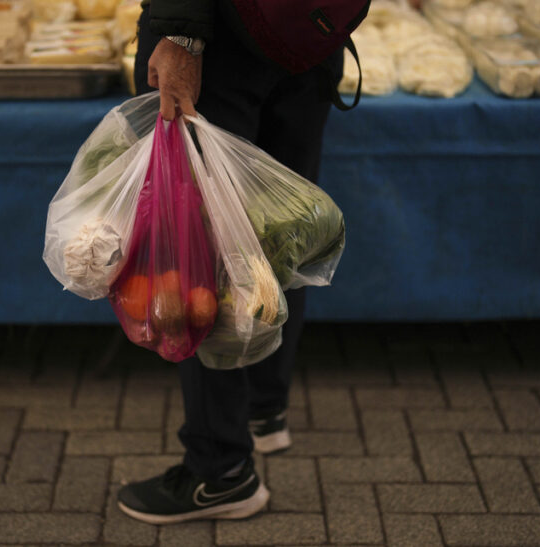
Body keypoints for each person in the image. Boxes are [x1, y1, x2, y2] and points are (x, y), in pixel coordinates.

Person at [116, 0, 347, 525]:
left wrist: (181, 35)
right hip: (308, 29)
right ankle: (265, 406)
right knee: (281, 232)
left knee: (203, 256)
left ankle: (220, 470)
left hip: (219, 41)